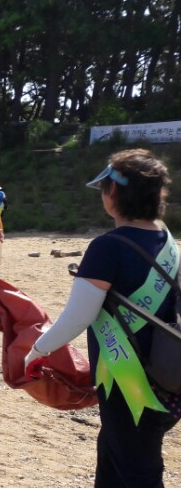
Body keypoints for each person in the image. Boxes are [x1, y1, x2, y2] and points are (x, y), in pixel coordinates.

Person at [24, 149, 179, 486]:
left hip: (131, 382)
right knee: (113, 457)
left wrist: (38, 350)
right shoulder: (168, 242)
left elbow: (78, 317)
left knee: (138, 471)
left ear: (114, 194)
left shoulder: (108, 247)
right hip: (168, 375)